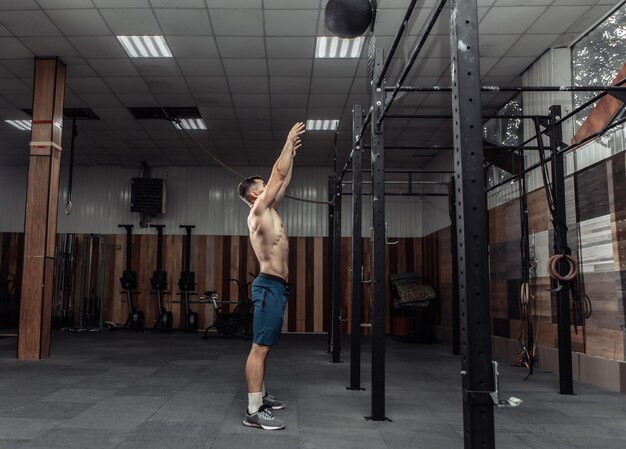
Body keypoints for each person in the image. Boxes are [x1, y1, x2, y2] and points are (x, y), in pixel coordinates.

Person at [237, 122, 305, 430]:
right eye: (263, 186)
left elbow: (283, 180)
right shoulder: (257, 212)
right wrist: (287, 140)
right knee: (259, 347)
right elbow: (278, 174)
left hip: (277, 287)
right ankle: (253, 410)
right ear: (254, 193)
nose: (270, 189)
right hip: (268, 287)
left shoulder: (270, 209)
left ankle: (261, 395)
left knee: (266, 345)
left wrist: (291, 152)